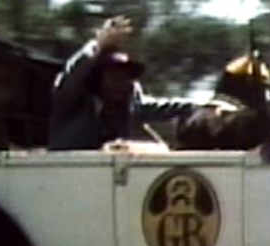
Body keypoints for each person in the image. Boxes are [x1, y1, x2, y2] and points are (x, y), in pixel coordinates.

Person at [49, 16, 222, 150]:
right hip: (70, 173)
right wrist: (98, 43)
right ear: (97, 81)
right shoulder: (73, 101)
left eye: (126, 78)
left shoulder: (131, 103)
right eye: (115, 78)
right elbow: (72, 76)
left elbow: (170, 107)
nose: (122, 84)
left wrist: (207, 106)